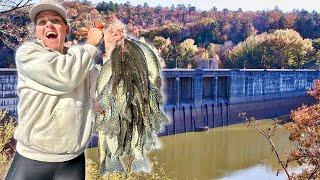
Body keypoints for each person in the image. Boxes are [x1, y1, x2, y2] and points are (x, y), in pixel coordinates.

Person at [5, 0, 123, 179]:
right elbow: (65, 76)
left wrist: (111, 50)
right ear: (37, 32)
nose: (49, 24)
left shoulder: (80, 63)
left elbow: (105, 95)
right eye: (42, 22)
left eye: (55, 20)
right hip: (32, 160)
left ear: (66, 29)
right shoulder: (28, 54)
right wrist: (90, 45)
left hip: (72, 162)